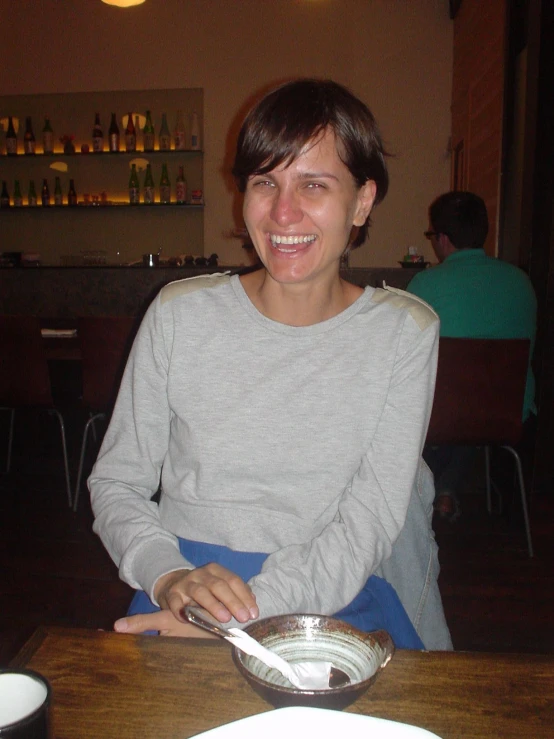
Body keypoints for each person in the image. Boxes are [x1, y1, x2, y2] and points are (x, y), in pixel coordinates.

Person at [90, 78, 452, 650]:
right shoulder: (179, 314)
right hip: (183, 588)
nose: (283, 212)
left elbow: (370, 521)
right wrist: (166, 573)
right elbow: (116, 481)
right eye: (265, 182)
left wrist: (242, 614)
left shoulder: (403, 332)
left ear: (361, 201)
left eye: (313, 184)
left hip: (324, 592)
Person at [408, 191, 537, 520]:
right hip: (509, 416)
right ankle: (447, 490)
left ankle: (433, 489)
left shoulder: (424, 284)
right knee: (471, 401)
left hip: (444, 417)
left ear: (443, 239)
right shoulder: (522, 283)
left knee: (433, 401)